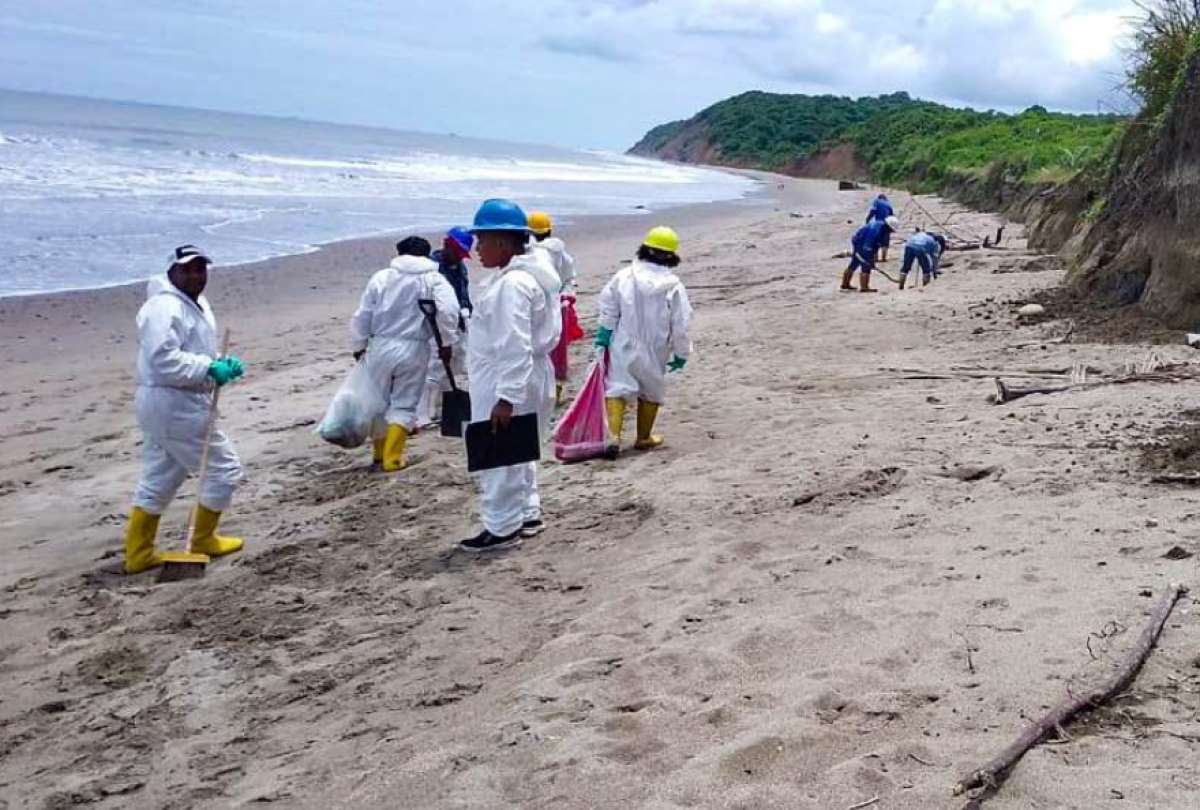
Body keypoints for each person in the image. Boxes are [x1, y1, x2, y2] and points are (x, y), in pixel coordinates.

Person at [122, 244, 247, 574]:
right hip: (171, 399)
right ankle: (204, 539)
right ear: (171, 272)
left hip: (174, 398)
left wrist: (220, 364)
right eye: (188, 269)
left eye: (201, 268)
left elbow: (191, 349)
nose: (196, 275)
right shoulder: (163, 307)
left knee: (161, 474)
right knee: (224, 469)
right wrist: (207, 369)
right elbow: (162, 359)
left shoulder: (194, 303)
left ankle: (139, 553)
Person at [461, 199, 562, 552]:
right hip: (530, 375)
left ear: (503, 242)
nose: (476, 249)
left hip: (508, 377)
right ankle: (527, 512)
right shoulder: (535, 276)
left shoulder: (512, 286)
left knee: (500, 455)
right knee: (522, 448)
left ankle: (502, 527)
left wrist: (506, 398)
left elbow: (513, 345)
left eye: (482, 240)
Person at [350, 236, 459, 471]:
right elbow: (449, 311)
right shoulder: (433, 280)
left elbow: (363, 314)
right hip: (414, 347)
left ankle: (378, 455)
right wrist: (447, 341)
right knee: (404, 403)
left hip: (379, 345)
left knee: (378, 401)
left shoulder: (381, 277)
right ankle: (393, 458)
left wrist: (358, 345)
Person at [595, 226, 692, 454]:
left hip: (623, 341)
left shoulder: (623, 276)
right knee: (651, 390)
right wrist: (681, 352)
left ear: (644, 249)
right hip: (655, 347)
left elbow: (608, 307)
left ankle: (613, 436)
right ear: (671, 255)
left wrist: (604, 334)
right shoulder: (674, 286)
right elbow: (681, 323)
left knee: (617, 387)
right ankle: (643, 437)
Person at [417, 227, 474, 427]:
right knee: (434, 367)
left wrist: (467, 309)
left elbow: (463, 292)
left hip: (458, 321)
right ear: (447, 245)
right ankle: (424, 413)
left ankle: (443, 405)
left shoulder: (460, 267)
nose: (460, 258)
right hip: (436, 325)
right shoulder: (432, 269)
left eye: (462, 254)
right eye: (457, 253)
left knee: (456, 364)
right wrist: (444, 336)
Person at [527, 210, 579, 405]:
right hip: (557, 306)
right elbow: (570, 278)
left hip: (535, 305)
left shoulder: (528, 254)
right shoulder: (560, 253)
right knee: (556, 350)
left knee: (533, 347)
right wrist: (567, 298)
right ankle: (554, 392)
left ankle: (539, 394)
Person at [841, 215, 899, 293]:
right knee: (865, 266)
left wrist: (873, 258)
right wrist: (869, 260)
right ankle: (864, 287)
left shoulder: (881, 228)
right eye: (891, 230)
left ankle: (845, 284)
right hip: (861, 243)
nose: (891, 232)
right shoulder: (875, 230)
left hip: (860, 241)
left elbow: (876, 245)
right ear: (888, 226)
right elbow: (867, 246)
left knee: (855, 262)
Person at [865, 193, 895, 262]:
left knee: (876, 241)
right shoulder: (888, 204)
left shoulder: (877, 201)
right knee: (885, 242)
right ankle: (884, 258)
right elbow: (892, 216)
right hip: (887, 224)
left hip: (878, 224)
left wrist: (867, 220)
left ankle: (876, 258)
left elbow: (873, 211)